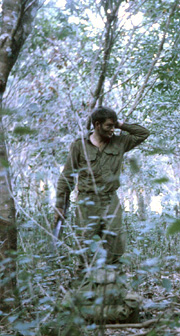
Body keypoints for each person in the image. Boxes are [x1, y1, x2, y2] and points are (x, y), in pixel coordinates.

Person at [55, 107, 150, 273]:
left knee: (115, 241)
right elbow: (67, 176)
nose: (112, 130)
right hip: (86, 201)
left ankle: (112, 282)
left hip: (109, 200)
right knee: (85, 243)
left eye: (114, 126)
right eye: (108, 126)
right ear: (97, 125)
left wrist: (120, 124)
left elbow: (143, 133)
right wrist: (60, 204)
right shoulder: (79, 145)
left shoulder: (120, 142)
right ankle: (85, 283)